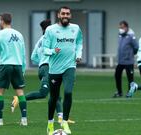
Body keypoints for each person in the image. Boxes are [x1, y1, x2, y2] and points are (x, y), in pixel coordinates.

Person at [11, 19, 65, 123]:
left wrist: (41, 62)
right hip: (48, 68)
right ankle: (19, 98)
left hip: (42, 68)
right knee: (43, 93)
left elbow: (33, 57)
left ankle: (61, 117)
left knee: (56, 92)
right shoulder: (52, 38)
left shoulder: (40, 40)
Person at [43, 6, 83, 135]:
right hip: (54, 69)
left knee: (68, 92)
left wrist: (78, 54)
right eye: (63, 13)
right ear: (58, 15)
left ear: (70, 15)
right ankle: (50, 123)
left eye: (68, 14)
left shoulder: (76, 28)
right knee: (53, 98)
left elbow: (79, 42)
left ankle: (65, 122)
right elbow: (44, 49)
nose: (65, 15)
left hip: (70, 66)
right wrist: (53, 51)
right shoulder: (50, 30)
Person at [0, 13, 27, 126]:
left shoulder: (1, 33)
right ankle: (24, 120)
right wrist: (23, 68)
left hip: (5, 65)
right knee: (20, 91)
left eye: (0, 20)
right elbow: (23, 54)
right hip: (18, 66)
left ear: (2, 21)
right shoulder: (19, 35)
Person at [113, 21, 138, 98]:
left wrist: (130, 55)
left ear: (126, 27)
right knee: (117, 75)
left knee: (130, 78)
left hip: (128, 61)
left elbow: (136, 47)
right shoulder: (120, 36)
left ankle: (130, 93)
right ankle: (119, 92)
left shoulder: (131, 36)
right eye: (120, 27)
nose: (121, 29)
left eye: (122, 27)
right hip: (121, 61)